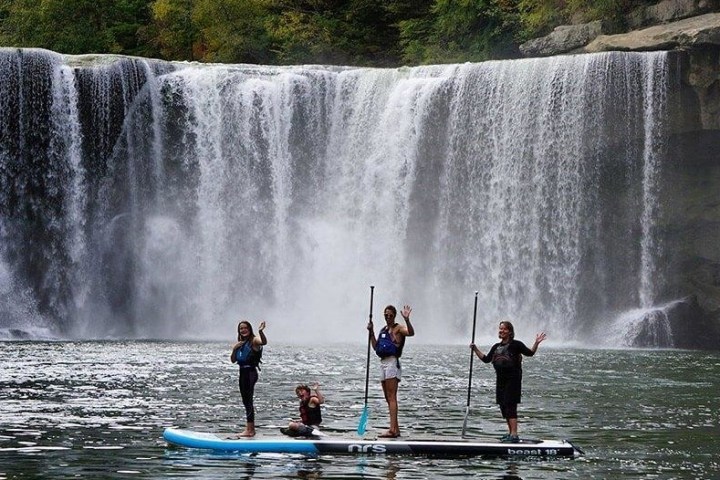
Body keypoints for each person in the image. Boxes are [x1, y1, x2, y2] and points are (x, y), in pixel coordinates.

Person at [470, 320, 546, 443]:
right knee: (503, 406)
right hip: (500, 380)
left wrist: (536, 343)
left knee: (510, 405)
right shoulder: (496, 347)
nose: (501, 331)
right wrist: (475, 349)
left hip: (513, 379)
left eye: (504, 329)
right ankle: (510, 433)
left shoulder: (516, 345)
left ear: (510, 332)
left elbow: (530, 353)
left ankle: (514, 435)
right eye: (500, 329)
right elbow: (486, 359)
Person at [367, 304, 414, 438]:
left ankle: (392, 429)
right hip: (383, 363)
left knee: (392, 396)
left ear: (394, 316)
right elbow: (376, 347)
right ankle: (396, 428)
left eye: (390, 315)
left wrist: (407, 320)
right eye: (386, 315)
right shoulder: (383, 330)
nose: (388, 317)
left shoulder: (398, 328)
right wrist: (371, 332)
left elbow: (411, 333)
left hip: (392, 363)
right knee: (388, 398)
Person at [230, 320, 267, 437]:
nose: (243, 330)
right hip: (243, 372)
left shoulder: (254, 340)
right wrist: (234, 349)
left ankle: (250, 430)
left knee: (248, 399)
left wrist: (260, 331)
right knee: (245, 400)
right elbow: (233, 360)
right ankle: (250, 428)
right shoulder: (241, 343)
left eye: (245, 328)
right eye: (241, 328)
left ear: (250, 329)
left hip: (250, 372)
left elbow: (264, 342)